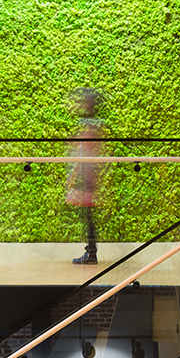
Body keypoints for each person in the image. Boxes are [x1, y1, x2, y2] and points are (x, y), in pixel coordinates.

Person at [66, 88, 105, 265]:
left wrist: (73, 175)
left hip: (87, 177)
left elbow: (83, 154)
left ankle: (91, 253)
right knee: (87, 217)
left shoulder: (90, 128)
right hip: (89, 176)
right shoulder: (95, 126)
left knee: (88, 218)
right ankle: (91, 252)